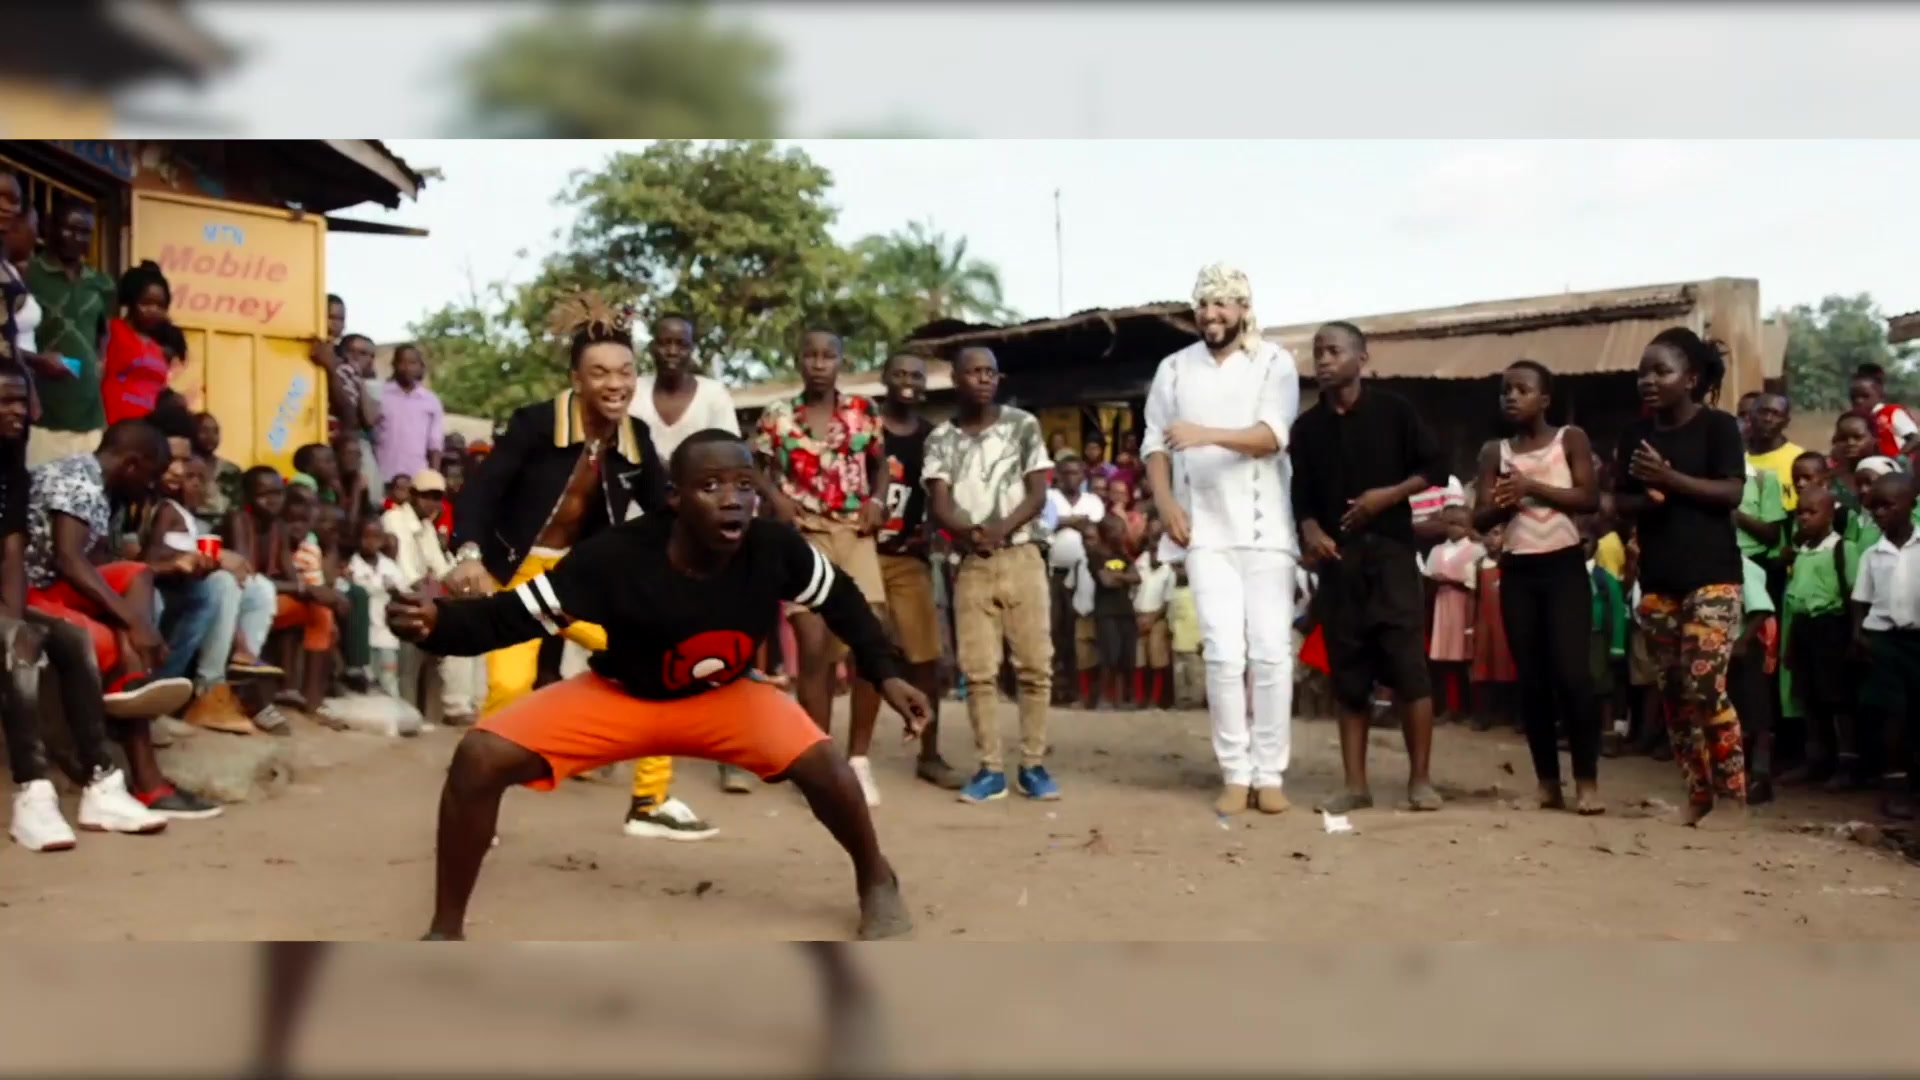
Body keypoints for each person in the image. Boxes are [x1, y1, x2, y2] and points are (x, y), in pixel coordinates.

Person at [387, 429, 925, 940]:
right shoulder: (615, 557)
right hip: (622, 697)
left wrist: (886, 672)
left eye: (744, 485)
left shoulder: (775, 548)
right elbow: (513, 618)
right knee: (479, 757)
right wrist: (437, 625)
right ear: (674, 497)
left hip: (728, 697)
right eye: (710, 486)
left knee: (827, 768)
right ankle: (445, 927)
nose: (732, 500)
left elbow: (841, 599)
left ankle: (876, 877)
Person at [444, 292, 710, 841]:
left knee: (659, 659)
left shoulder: (635, 438)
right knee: (510, 687)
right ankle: (473, 803)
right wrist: (469, 555)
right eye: (600, 373)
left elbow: (664, 510)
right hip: (515, 577)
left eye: (625, 372)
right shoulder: (536, 424)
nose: (615, 384)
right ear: (576, 379)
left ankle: (650, 802)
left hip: (581, 579)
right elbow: (483, 491)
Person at [1143, 264, 1301, 815]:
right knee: (1222, 654)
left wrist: (1204, 434)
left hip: (1266, 529)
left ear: (1243, 308)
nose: (1211, 315)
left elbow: (1272, 436)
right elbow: (1154, 444)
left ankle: (1270, 773)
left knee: (1272, 654)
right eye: (1203, 305)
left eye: (1222, 304)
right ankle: (1236, 772)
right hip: (1204, 530)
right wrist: (1166, 504)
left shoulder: (1274, 362)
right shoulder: (1173, 368)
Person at [0, 361, 171, 850]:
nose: (19, 410)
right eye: (6, 400)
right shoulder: (76, 478)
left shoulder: (12, 471)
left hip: (23, 592)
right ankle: (34, 791)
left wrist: (12, 622)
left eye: (22, 400)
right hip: (46, 587)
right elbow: (69, 560)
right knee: (32, 642)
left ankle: (102, 784)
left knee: (66, 636)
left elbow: (12, 554)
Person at [1289, 321, 1448, 813]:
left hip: (1392, 557)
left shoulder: (1395, 411)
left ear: (1362, 358)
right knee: (1349, 676)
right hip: (1339, 564)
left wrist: (1388, 496)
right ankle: (1355, 786)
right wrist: (1310, 530)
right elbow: (1301, 497)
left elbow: (1435, 467)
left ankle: (1420, 781)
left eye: (1334, 351)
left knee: (1409, 671)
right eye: (1318, 352)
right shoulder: (1306, 429)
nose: (1323, 360)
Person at [24, 418, 216, 817]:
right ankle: (147, 782)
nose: (152, 486)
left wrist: (132, 621)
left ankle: (132, 679)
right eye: (152, 475)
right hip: (28, 596)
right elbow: (70, 560)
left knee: (138, 574)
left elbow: (104, 570)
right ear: (132, 464)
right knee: (110, 640)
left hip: (56, 591)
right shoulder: (77, 479)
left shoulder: (100, 487)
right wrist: (135, 624)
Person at [1612, 328, 1748, 827]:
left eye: (1661, 372)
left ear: (1690, 379)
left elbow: (1731, 493)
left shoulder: (1719, 427)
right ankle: (1699, 795)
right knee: (1673, 694)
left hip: (1713, 576)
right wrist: (1645, 499)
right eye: (1642, 373)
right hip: (1658, 580)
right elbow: (1619, 501)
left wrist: (1670, 479)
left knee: (1705, 683)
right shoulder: (1634, 435)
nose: (1648, 381)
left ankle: (1732, 797)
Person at [923, 346, 1057, 804]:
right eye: (973, 372)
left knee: (1035, 666)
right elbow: (939, 502)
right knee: (978, 671)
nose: (983, 379)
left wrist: (998, 530)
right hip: (971, 563)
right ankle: (991, 768)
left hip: (1022, 555)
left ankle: (1033, 764)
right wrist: (969, 534)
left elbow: (1037, 494)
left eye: (990, 372)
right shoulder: (941, 438)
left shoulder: (1023, 425)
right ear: (955, 379)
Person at [1471, 359, 1606, 813]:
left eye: (1522, 389)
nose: (1511, 397)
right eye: (1505, 390)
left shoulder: (1570, 438)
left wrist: (1531, 487)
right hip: (1519, 571)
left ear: (1545, 399)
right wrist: (1502, 507)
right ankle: (1548, 783)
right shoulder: (1495, 452)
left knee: (1573, 676)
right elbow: (1479, 516)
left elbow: (1588, 497)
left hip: (1564, 566)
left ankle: (1586, 781)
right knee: (1531, 680)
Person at [752, 329, 890, 756]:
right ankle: (819, 757)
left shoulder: (863, 411)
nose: (818, 363)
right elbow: (751, 465)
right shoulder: (777, 415)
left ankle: (858, 758)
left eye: (828, 355)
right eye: (810, 355)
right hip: (803, 536)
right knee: (814, 647)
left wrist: (877, 500)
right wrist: (774, 498)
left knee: (869, 640)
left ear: (840, 362)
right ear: (799, 361)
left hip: (854, 533)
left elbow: (880, 465)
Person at [625, 311, 745, 792]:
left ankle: (729, 751)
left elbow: (729, 455)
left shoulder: (714, 396)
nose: (672, 351)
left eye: (681, 343)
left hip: (701, 526)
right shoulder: (634, 391)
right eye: (664, 342)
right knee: (633, 627)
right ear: (651, 346)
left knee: (717, 631)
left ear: (692, 348)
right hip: (639, 522)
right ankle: (619, 740)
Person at [847, 351, 963, 799]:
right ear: (885, 379)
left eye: (916, 375)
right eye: (899, 374)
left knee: (925, 657)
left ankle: (929, 754)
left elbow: (940, 494)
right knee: (868, 651)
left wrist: (938, 533)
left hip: (909, 556)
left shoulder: (931, 437)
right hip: (864, 551)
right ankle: (856, 757)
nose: (908, 381)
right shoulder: (863, 428)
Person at [383, 467, 485, 725]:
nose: (433, 503)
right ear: (412, 495)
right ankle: (456, 707)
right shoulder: (394, 520)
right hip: (401, 599)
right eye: (427, 496)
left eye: (438, 497)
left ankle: (476, 703)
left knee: (478, 618)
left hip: (427, 596)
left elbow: (443, 572)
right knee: (458, 629)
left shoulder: (427, 526)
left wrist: (465, 589)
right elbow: (406, 576)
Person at [1849, 471, 1920, 821]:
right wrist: (1859, 635)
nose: (1879, 513)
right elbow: (1860, 600)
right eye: (1873, 507)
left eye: (1888, 505)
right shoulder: (1871, 555)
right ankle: (1895, 786)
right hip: (1885, 642)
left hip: (1917, 641)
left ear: (1910, 504)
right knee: (1892, 714)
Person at [24, 200, 112, 466]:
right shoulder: (29, 274)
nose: (77, 238)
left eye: (85, 232)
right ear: (50, 228)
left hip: (89, 414)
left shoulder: (100, 283)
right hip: (43, 412)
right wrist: (38, 360)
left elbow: (103, 330)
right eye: (70, 229)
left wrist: (100, 360)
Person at [1780, 485, 1855, 789]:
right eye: (1800, 512)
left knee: (1837, 699)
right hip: (1803, 628)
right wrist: (1789, 644)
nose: (1804, 518)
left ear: (1830, 514)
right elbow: (1796, 600)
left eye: (1812, 512)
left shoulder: (1841, 548)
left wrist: (1854, 636)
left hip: (1831, 628)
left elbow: (1853, 595)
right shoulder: (1800, 551)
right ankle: (1816, 760)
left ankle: (1847, 764)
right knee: (1808, 697)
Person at [1043, 451, 1104, 704]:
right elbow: (1045, 526)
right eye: (1065, 473)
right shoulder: (1049, 497)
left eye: (1075, 473)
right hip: (1053, 574)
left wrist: (1063, 522)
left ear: (1083, 476)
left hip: (1085, 575)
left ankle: (1078, 688)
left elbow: (1094, 527)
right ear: (1057, 475)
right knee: (1054, 630)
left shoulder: (1092, 501)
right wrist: (1073, 521)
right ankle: (1055, 689)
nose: (1070, 478)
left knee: (1078, 631)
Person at [1421, 508, 1481, 728]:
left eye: (1459, 524)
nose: (1454, 528)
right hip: (1440, 606)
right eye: (1450, 523)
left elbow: (1477, 583)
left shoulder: (1476, 550)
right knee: (1442, 660)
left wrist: (1452, 580)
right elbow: (1427, 577)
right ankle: (1446, 707)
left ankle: (1467, 708)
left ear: (1468, 527)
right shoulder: (1437, 550)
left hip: (1463, 607)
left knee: (1463, 660)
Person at [99, 261, 174, 427]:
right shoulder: (112, 330)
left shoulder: (157, 348)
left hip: (149, 430)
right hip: (115, 427)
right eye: (146, 303)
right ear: (131, 302)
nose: (153, 310)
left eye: (160, 306)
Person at [1730, 553, 1778, 804]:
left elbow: (1760, 608)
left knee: (1756, 713)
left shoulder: (1742, 566)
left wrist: (1743, 640)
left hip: (1746, 647)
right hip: (1724, 648)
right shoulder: (1713, 562)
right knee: (1733, 713)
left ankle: (1761, 776)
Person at [346, 517, 408, 697]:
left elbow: (404, 594)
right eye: (366, 537)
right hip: (363, 636)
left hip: (387, 635)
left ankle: (393, 711)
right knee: (367, 681)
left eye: (376, 537)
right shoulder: (352, 566)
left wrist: (395, 592)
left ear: (382, 540)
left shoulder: (390, 567)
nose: (371, 542)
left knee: (389, 679)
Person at [1085, 514, 1139, 711]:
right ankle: (1103, 698)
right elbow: (1105, 582)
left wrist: (1117, 576)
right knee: (1110, 655)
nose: (1122, 534)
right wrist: (1124, 577)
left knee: (1127, 656)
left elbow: (1137, 577)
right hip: (1106, 611)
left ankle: (1123, 699)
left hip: (1126, 610)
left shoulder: (1122, 554)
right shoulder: (1095, 555)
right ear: (1106, 533)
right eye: (1118, 530)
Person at [374, 342, 444, 485]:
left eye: (413, 363)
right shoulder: (380, 395)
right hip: (383, 475)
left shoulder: (431, 400)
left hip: (417, 477)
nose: (407, 368)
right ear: (394, 365)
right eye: (402, 362)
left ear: (421, 367)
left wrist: (433, 479)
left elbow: (435, 444)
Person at [1133, 517, 1176, 709]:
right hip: (1138, 615)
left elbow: (1168, 601)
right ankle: (1139, 698)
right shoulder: (1139, 562)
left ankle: (1155, 699)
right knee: (1139, 659)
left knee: (1157, 658)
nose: (1155, 541)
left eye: (1159, 537)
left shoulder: (1169, 568)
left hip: (1157, 617)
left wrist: (1152, 619)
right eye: (1152, 536)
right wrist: (1138, 618)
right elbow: (1131, 592)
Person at [1745, 392, 1803, 510]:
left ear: (1786, 422)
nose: (1768, 419)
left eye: (1776, 414)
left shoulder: (1798, 459)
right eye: (1763, 412)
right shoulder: (1734, 454)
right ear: (1750, 416)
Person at [1848, 364, 1919, 462]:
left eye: (1865, 396)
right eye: (1853, 397)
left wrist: (1897, 459)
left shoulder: (1891, 413)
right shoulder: (1854, 419)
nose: (1858, 401)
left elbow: (1915, 439)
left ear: (1880, 395)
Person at [190, 410, 244, 529]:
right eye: (204, 431)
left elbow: (237, 507)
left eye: (215, 431)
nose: (211, 437)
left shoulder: (231, 470)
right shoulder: (186, 468)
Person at [1167, 565, 1204, 709]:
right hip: (1178, 640)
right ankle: (1182, 700)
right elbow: (1171, 617)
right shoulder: (1174, 592)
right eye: (1178, 571)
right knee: (1180, 674)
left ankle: (1196, 701)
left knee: (1195, 674)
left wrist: (1202, 639)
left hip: (1195, 642)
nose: (1180, 573)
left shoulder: (1198, 593)